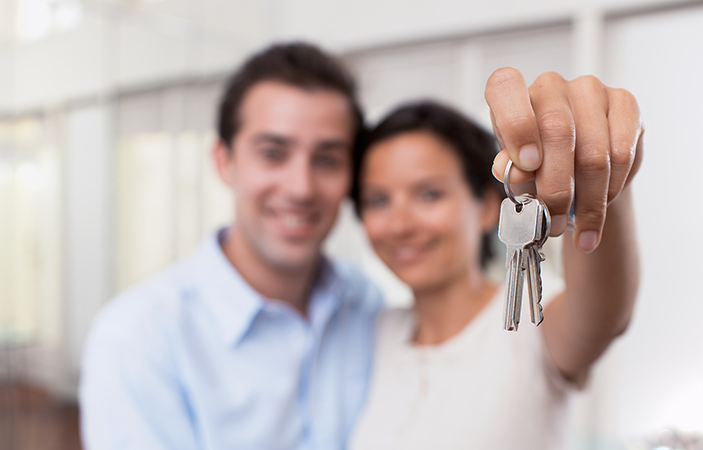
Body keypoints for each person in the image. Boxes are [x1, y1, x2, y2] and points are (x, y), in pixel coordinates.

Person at [79, 42, 383, 449]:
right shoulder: (139, 336)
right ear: (224, 162)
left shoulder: (365, 303)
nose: (301, 187)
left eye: (327, 160)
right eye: (273, 154)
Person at [348, 72, 642, 449]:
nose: (400, 224)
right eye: (378, 200)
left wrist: (599, 171)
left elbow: (602, 315)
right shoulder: (377, 332)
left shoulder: (533, 321)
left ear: (488, 206)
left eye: (429, 194)